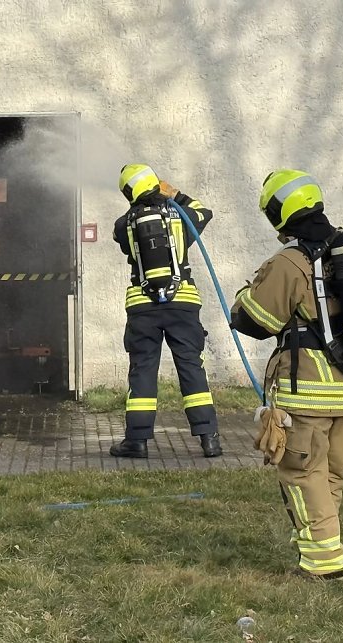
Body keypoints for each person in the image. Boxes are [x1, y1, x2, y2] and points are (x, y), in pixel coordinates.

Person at [230, 169, 343, 580]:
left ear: (279, 214)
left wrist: (243, 296)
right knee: (329, 473)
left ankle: (324, 563)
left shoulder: (291, 262)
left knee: (301, 473)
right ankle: (320, 547)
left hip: (307, 390)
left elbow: (256, 320)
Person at [109, 164, 221, 459]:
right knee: (191, 367)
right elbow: (204, 213)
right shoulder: (180, 217)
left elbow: (123, 242)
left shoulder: (124, 225)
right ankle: (209, 439)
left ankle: (137, 441)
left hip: (142, 307)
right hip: (183, 303)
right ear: (155, 184)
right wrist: (176, 195)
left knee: (143, 369)